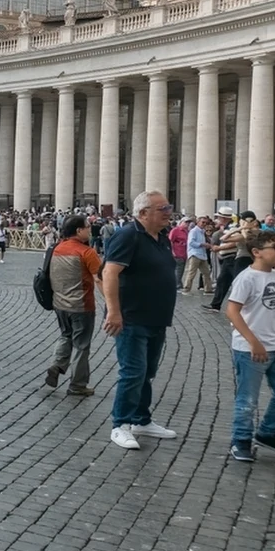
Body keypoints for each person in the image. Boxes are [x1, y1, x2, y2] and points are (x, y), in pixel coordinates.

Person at [103, 190, 180, 449]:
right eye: (163, 209)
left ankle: (141, 420)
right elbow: (110, 273)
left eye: (169, 208)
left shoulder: (162, 238)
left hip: (156, 317)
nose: (169, 213)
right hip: (132, 317)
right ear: (143, 213)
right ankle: (120, 424)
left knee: (147, 372)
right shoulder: (127, 235)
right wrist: (114, 312)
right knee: (133, 372)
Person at [224, 229, 275, 461]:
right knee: (248, 398)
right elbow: (232, 311)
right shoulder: (246, 278)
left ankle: (267, 432)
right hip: (250, 349)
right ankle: (240, 440)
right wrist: (253, 341)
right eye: (274, 248)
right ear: (257, 252)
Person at [44, 215, 102, 397]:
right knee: (82, 345)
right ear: (79, 231)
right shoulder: (87, 252)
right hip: (81, 305)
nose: (90, 229)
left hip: (60, 304)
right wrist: (112, 303)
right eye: (87, 227)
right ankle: (77, 384)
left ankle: (57, 365)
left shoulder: (56, 249)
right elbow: (99, 279)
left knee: (65, 335)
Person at [181, 215, 212, 295]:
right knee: (192, 272)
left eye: (206, 223)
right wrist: (202, 244)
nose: (204, 224)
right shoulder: (194, 231)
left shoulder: (202, 232)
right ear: (198, 222)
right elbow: (191, 242)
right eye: (203, 222)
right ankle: (186, 289)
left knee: (206, 272)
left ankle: (208, 289)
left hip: (202, 254)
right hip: (195, 254)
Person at [169, 217, 189, 289]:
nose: (187, 224)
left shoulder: (186, 231)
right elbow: (170, 241)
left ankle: (178, 282)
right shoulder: (175, 230)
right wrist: (172, 252)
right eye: (186, 222)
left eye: (188, 223)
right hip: (177, 252)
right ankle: (177, 284)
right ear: (181, 222)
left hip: (184, 253)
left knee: (181, 269)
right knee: (179, 269)